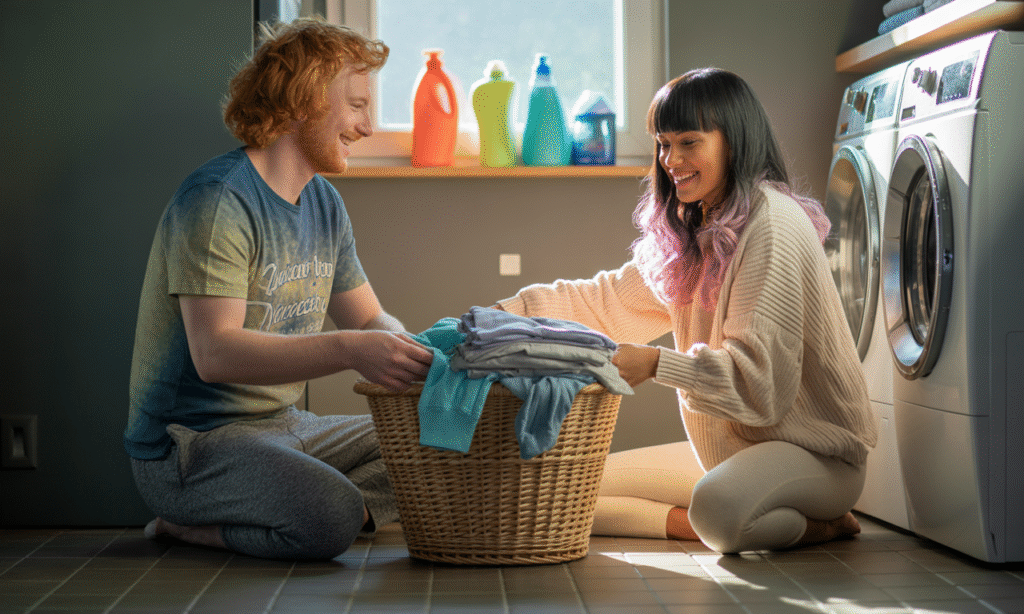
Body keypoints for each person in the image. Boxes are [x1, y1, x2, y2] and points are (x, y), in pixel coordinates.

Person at [494, 68, 877, 553]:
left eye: (689, 142)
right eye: (662, 143)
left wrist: (656, 364)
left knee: (718, 510)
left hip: (814, 455)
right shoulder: (697, 231)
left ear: (733, 142)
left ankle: (815, 522)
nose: (670, 160)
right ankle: (709, 518)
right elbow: (606, 300)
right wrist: (503, 315)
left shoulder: (771, 226)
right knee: (561, 489)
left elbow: (760, 387)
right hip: (734, 454)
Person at [124, 18, 434, 560]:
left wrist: (410, 352)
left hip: (288, 426)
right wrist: (350, 351)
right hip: (191, 445)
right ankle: (192, 526)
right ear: (304, 99)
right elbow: (216, 354)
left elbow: (366, 321)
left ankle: (317, 509)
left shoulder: (323, 203)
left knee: (444, 438)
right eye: (357, 105)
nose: (365, 126)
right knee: (333, 517)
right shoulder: (218, 200)